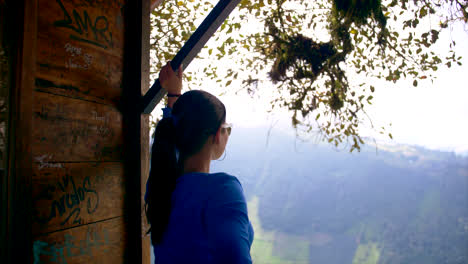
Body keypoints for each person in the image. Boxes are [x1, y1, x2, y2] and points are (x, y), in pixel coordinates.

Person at [145, 62, 254, 264]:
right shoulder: (224, 191)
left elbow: (176, 128)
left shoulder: (161, 187)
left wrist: (174, 96)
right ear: (216, 135)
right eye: (226, 128)